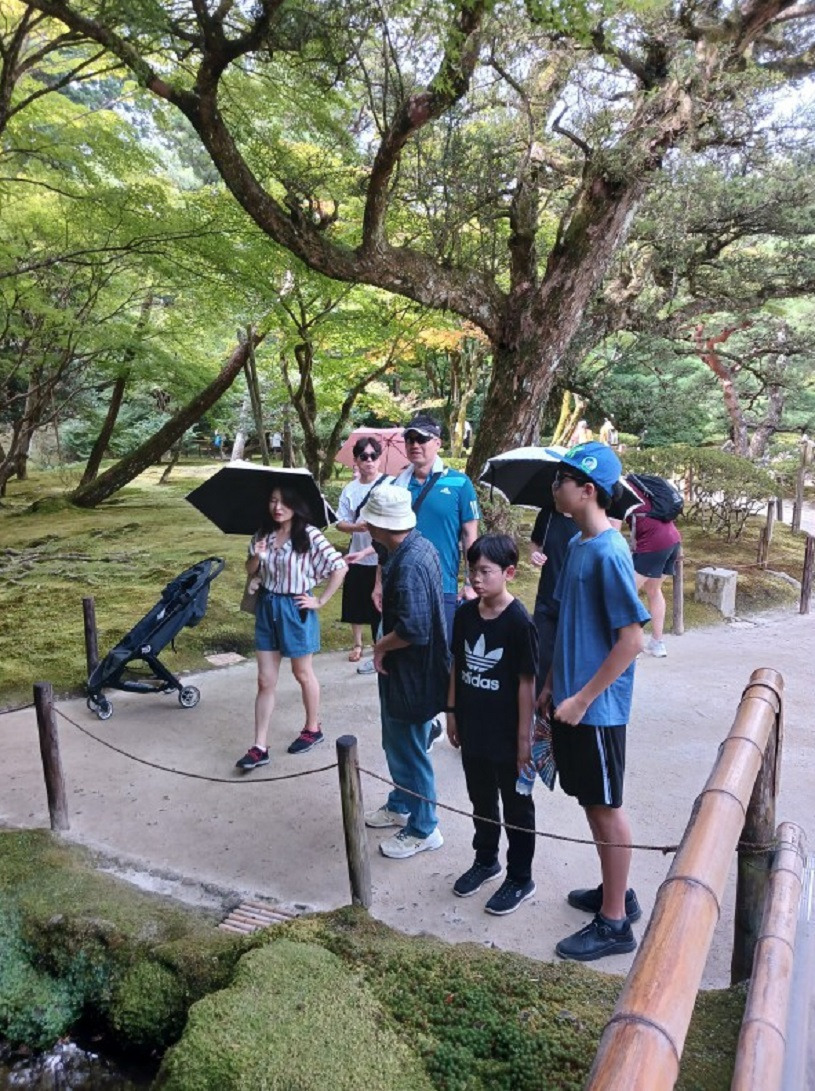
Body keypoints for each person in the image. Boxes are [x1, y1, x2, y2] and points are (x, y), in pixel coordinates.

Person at [538, 441, 650, 962]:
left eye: (561, 480)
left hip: (596, 710)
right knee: (590, 802)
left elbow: (632, 640)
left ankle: (614, 923)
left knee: (606, 808)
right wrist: (550, 685)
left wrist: (582, 699)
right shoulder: (578, 544)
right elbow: (568, 626)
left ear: (587, 490)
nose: (553, 487)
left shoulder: (609, 552)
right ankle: (615, 893)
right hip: (570, 699)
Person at [446, 534, 539, 915]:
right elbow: (457, 663)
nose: (477, 578)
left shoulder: (519, 623)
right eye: (473, 570)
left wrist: (524, 740)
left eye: (486, 571)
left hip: (508, 734)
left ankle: (520, 877)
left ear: (509, 573)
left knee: (517, 807)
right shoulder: (465, 615)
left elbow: (527, 683)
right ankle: (486, 859)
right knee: (481, 798)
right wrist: (451, 712)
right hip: (474, 728)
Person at [361, 485, 450, 859]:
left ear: (381, 525)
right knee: (397, 742)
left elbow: (414, 629)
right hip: (411, 670)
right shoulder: (418, 545)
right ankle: (401, 803)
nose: (367, 527)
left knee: (410, 749)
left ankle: (424, 827)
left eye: (370, 521)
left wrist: (380, 646)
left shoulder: (410, 564)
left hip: (412, 672)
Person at [235, 485, 347, 770]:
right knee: (265, 680)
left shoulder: (309, 534)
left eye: (284, 502)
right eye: (273, 501)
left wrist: (320, 600)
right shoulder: (263, 534)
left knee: (302, 673)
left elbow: (339, 566)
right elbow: (250, 569)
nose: (277, 507)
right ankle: (259, 747)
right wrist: (257, 556)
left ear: (296, 505)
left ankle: (312, 728)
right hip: (267, 607)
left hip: (295, 609)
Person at [390, 413, 480, 642]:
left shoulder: (460, 483)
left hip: (442, 585)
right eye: (409, 439)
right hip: (400, 584)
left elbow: (470, 536)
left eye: (422, 439)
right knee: (402, 650)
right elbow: (385, 539)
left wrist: (470, 582)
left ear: (438, 443)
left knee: (441, 652)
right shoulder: (395, 486)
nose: (414, 445)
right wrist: (378, 584)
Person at [335, 437, 389, 667]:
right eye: (363, 456)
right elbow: (339, 522)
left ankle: (380, 645)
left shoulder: (391, 485)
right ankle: (357, 644)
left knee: (381, 604)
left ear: (379, 459)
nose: (369, 461)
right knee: (355, 603)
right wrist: (357, 527)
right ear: (356, 460)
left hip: (383, 556)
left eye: (373, 456)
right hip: (357, 554)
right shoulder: (350, 489)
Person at [626, 485, 682, 658]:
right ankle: (657, 643)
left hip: (653, 544)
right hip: (673, 540)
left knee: (627, 591)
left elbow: (612, 528)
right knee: (653, 590)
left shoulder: (620, 492)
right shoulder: (643, 488)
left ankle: (632, 645)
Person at [529, 509, 576, 691]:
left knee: (568, 662)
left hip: (575, 604)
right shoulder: (547, 514)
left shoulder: (587, 520)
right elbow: (535, 543)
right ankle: (537, 705)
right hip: (546, 599)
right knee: (540, 658)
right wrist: (535, 555)